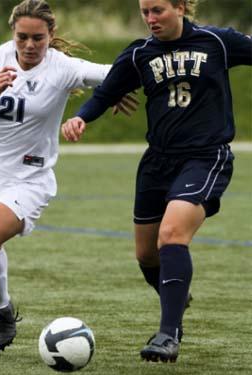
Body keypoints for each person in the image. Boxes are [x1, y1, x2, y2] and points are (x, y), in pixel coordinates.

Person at [61, 0, 252, 363]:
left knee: (171, 236)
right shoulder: (139, 54)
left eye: (158, 10)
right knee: (146, 254)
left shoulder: (218, 42)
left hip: (204, 156)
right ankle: (175, 303)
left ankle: (168, 334)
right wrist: (81, 117)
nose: (150, 19)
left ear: (181, 7)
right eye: (145, 11)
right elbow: (106, 92)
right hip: (157, 161)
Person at [0, 0, 137, 358]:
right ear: (13, 34)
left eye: (38, 38)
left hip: (30, 177)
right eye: (22, 37)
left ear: (51, 35)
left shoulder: (62, 68)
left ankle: (4, 313)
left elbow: (113, 71)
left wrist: (114, 92)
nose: (30, 45)